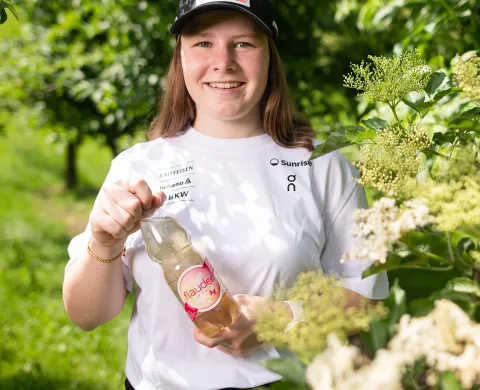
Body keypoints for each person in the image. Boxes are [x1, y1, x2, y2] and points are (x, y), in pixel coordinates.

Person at [62, 0, 389, 389]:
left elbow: (367, 297)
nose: (224, 61)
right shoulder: (138, 167)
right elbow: (86, 315)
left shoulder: (324, 166)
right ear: (180, 56)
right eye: (203, 43)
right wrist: (103, 239)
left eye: (244, 44)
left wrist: (283, 318)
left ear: (270, 55)